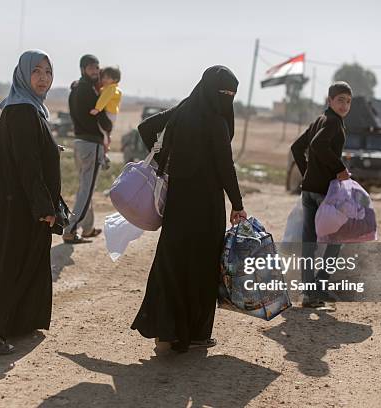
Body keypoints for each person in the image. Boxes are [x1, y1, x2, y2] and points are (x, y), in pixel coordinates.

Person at [131, 66, 247, 353]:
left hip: (178, 200)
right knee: (202, 268)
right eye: (225, 93)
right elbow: (224, 166)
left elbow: (146, 127)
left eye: (232, 94)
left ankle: (167, 330)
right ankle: (195, 333)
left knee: (173, 262)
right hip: (206, 205)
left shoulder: (183, 110)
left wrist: (165, 159)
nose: (227, 99)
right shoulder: (217, 121)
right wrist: (238, 203)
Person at [0, 50, 61, 353]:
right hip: (12, 203)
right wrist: (44, 206)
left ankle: (17, 322)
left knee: (24, 259)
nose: (43, 77)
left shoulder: (30, 108)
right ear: (22, 74)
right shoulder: (21, 110)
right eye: (36, 71)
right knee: (8, 264)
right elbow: (27, 164)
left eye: (48, 71)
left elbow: (31, 154)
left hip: (16, 199)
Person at [290, 81, 353, 308]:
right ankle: (318, 286)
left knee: (310, 242)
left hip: (309, 190)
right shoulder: (333, 122)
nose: (344, 105)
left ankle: (310, 293)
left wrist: (307, 173)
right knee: (336, 240)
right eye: (340, 100)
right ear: (330, 101)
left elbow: (297, 147)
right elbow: (317, 145)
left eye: (348, 101)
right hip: (324, 193)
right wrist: (339, 169)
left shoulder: (319, 120)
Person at [63, 54, 113, 244]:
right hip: (91, 144)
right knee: (86, 189)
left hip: (79, 143)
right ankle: (70, 229)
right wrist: (108, 125)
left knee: (86, 187)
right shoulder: (90, 92)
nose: (96, 71)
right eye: (91, 67)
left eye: (97, 67)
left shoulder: (75, 89)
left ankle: (88, 228)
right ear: (84, 69)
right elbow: (102, 120)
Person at [90, 66, 123, 153]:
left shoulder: (111, 89)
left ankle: (105, 143)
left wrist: (97, 109)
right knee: (107, 130)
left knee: (102, 128)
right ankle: (107, 142)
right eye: (103, 77)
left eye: (108, 78)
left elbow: (104, 98)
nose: (104, 79)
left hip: (109, 113)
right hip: (112, 113)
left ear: (115, 79)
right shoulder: (110, 88)